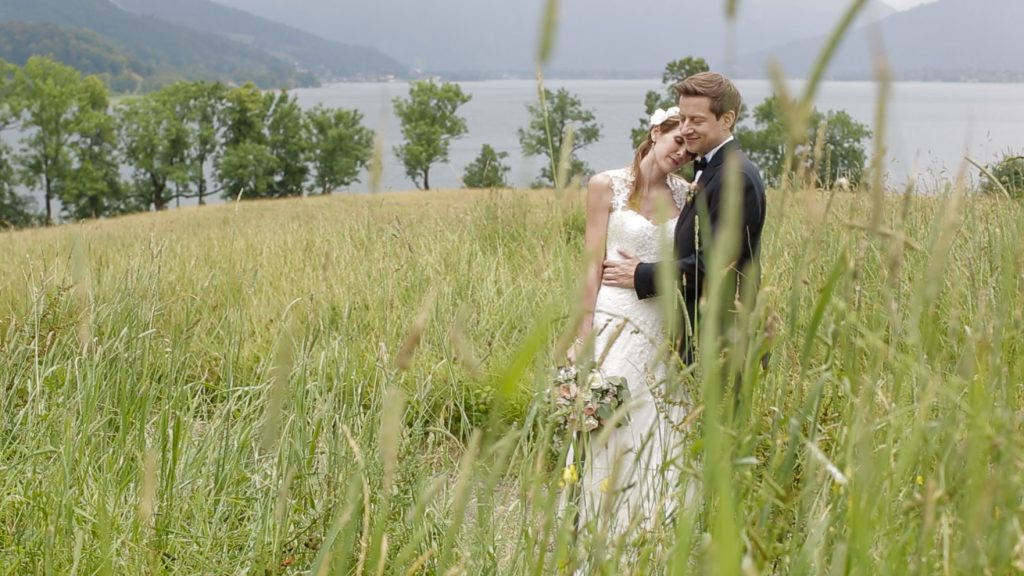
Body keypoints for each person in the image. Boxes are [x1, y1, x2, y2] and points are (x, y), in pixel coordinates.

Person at [566, 105, 695, 541]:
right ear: (656, 132)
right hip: (614, 319)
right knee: (612, 421)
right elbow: (591, 264)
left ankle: (656, 531)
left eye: (690, 148)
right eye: (677, 141)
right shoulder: (606, 186)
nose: (682, 153)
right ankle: (603, 533)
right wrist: (583, 333)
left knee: (662, 421)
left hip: (662, 320)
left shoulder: (687, 194)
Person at [602, 71, 767, 365]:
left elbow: (715, 265)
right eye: (685, 119)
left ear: (726, 120)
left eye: (697, 121)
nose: (687, 128)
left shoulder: (735, 175)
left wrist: (640, 274)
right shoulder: (710, 169)